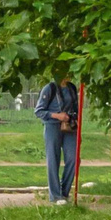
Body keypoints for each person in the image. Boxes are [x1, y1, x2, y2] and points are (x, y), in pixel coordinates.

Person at [33, 72, 81, 204]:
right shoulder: (50, 88)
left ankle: (64, 193)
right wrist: (57, 116)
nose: (68, 75)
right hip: (52, 127)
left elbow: (76, 107)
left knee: (74, 158)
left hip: (69, 127)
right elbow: (38, 111)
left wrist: (75, 119)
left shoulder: (71, 87)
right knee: (53, 159)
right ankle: (55, 195)